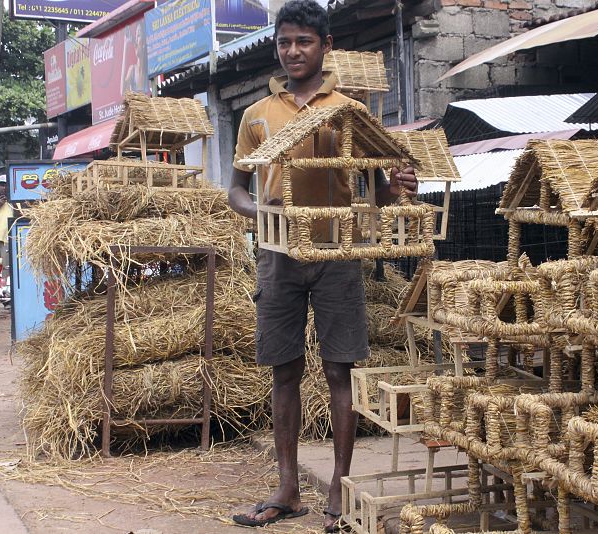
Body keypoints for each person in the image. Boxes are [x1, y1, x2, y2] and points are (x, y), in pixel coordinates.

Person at [227, 1, 417, 530]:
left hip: (337, 254)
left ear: (325, 46)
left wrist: (395, 187)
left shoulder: (349, 109)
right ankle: (287, 488)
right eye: (285, 42)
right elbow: (236, 190)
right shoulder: (256, 116)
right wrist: (262, 212)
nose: (293, 51)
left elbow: (374, 184)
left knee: (340, 368)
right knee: (283, 369)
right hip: (278, 255)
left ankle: (339, 487)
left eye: (303, 42)